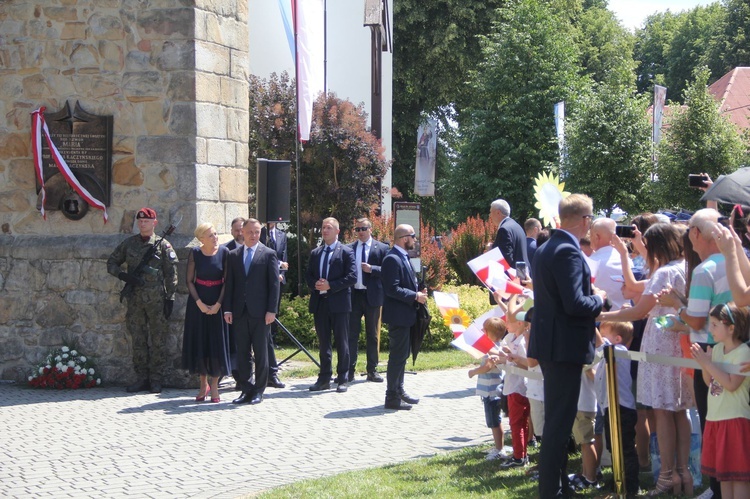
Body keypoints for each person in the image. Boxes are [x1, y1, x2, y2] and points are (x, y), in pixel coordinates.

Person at [600, 223, 693, 496]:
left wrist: (603, 316)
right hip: (682, 343)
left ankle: (667, 476)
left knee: (663, 410)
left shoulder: (664, 272)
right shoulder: (687, 267)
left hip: (662, 342)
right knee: (681, 410)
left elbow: (639, 311)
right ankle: (684, 472)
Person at [527, 193, 606, 498]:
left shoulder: (546, 248)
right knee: (558, 427)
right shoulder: (568, 252)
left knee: (557, 424)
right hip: (564, 348)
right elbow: (575, 304)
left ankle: (558, 487)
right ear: (585, 221)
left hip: (551, 345)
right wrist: (599, 299)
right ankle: (550, 491)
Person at [107, 207, 178, 394]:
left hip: (157, 301)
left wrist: (170, 298)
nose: (142, 224)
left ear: (154, 223)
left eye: (146, 221)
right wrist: (124, 276)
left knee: (158, 340)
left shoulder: (163, 246)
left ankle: (156, 379)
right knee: (138, 338)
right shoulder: (129, 244)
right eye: (140, 221)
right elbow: (111, 263)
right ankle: (141, 378)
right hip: (135, 299)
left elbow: (171, 274)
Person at [690, 303, 750, 499]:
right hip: (716, 419)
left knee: (738, 477)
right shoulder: (716, 351)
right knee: (724, 476)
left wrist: (707, 363)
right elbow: (711, 383)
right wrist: (705, 365)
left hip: (736, 420)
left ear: (731, 328)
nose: (710, 329)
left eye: (715, 325)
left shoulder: (743, 352)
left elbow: (732, 384)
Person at [222, 218, 280, 405]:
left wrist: (272, 310)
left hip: (261, 313)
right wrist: (228, 309)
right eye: (250, 232)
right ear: (242, 233)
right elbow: (230, 284)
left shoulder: (268, 254)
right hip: (239, 312)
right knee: (242, 353)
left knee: (261, 353)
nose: (253, 235)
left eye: (257, 232)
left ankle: (259, 390)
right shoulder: (233, 255)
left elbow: (274, 285)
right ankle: (246, 389)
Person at [305, 217, 357, 393]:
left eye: (328, 227)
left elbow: (352, 277)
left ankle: (343, 378)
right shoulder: (316, 253)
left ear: (337, 231)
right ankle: (324, 377)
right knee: (323, 342)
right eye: (323, 227)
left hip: (339, 304)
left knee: (342, 342)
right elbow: (308, 276)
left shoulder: (346, 252)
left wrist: (331, 286)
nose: (324, 230)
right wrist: (316, 284)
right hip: (320, 304)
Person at [181, 223, 231, 403]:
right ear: (201, 238)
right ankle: (203, 384)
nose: (215, 237)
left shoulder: (225, 253)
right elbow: (189, 281)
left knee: (216, 343)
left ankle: (215, 384)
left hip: (217, 302)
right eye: (210, 235)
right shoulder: (195, 253)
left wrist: (218, 304)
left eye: (216, 234)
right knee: (200, 342)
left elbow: (227, 281)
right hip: (198, 304)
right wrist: (200, 303)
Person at [382, 224, 428, 410]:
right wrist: (415, 296)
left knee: (403, 356)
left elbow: (404, 284)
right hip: (398, 316)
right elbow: (392, 289)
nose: (415, 240)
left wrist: (418, 291)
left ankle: (399, 390)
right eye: (413, 236)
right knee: (397, 356)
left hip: (407, 315)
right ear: (404, 238)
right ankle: (391, 396)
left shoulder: (404, 257)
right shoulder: (392, 259)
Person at [595, 321, 639, 496]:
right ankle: (617, 480)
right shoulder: (607, 353)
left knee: (625, 448)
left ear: (617, 338)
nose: (601, 337)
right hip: (610, 407)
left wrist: (587, 319)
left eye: (604, 334)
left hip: (622, 408)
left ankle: (631, 486)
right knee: (614, 447)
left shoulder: (618, 350)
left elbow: (600, 344)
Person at [347, 217, 389, 383]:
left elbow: (388, 270)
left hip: (373, 296)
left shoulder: (382, 248)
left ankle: (372, 370)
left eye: (363, 228)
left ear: (370, 229)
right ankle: (349, 370)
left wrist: (373, 269)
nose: (360, 232)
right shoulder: (349, 248)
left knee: (373, 335)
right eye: (357, 229)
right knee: (352, 334)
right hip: (354, 295)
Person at [468, 316, 508, 461]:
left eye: (483, 329)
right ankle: (499, 446)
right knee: (495, 420)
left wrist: (473, 372)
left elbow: (487, 367)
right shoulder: (500, 346)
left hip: (491, 391)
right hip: (495, 389)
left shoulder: (490, 350)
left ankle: (499, 449)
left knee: (494, 421)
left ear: (486, 333)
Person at [260, 222, 289, 389]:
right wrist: (275, 271)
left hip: (278, 280)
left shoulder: (281, 235)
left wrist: (280, 272)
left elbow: (283, 257)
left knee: (273, 315)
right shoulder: (261, 234)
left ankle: (275, 339)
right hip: (266, 281)